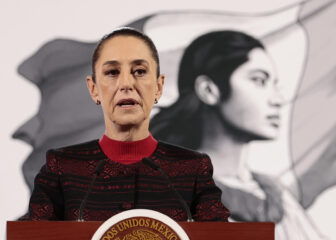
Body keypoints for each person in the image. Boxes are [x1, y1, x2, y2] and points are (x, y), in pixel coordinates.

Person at [20, 27, 229, 222]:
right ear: (94, 89)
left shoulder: (193, 169)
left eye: (139, 71)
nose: (126, 84)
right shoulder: (61, 168)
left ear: (158, 87)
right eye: (112, 72)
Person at [150, 31, 327, 239]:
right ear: (209, 90)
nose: (277, 99)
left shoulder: (276, 196)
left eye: (274, 84)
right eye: (259, 81)